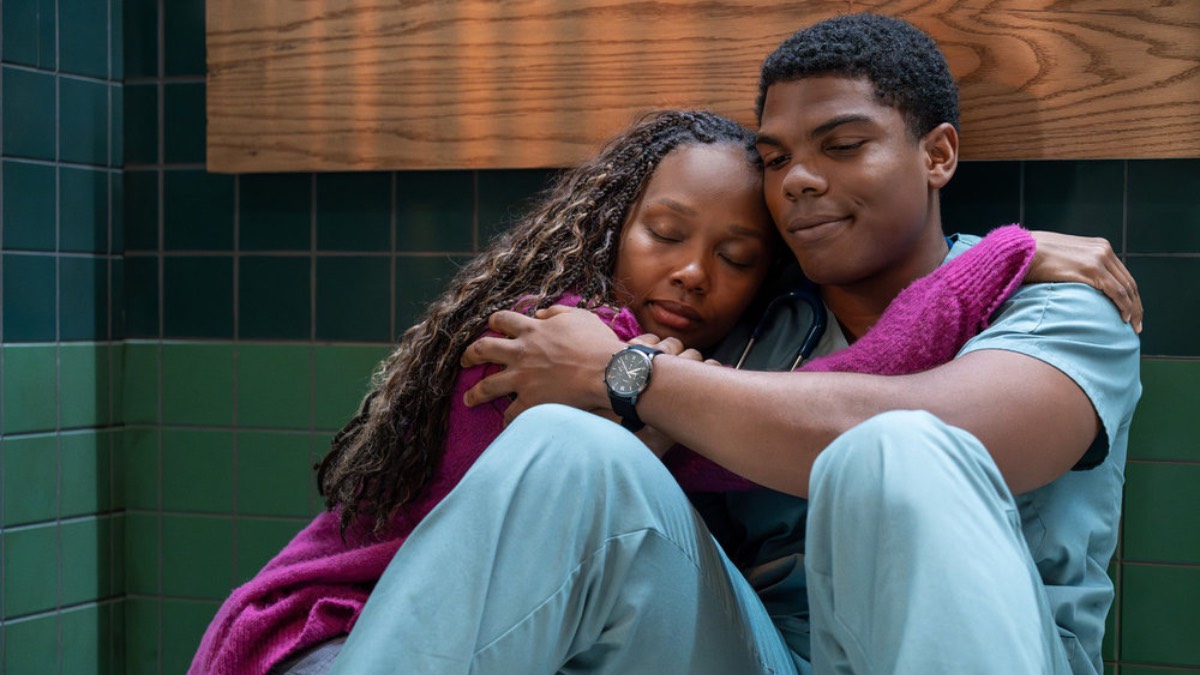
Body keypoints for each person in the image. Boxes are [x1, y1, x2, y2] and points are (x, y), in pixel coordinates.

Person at [324, 13, 1142, 675]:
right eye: (778, 157)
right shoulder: (760, 322)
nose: (798, 181)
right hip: (766, 652)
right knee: (566, 446)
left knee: (896, 448)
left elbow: (947, 425)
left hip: (994, 652)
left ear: (937, 154)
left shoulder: (1061, 302)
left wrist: (623, 372)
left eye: (842, 145)